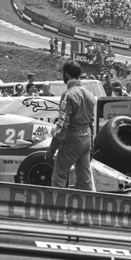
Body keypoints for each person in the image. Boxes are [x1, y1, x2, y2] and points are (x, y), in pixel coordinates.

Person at [46, 60, 96, 191]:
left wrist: (52, 149)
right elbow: (92, 123)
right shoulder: (90, 95)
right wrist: (91, 146)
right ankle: (89, 209)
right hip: (86, 140)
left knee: (59, 177)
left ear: (66, 74)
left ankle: (58, 209)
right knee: (85, 179)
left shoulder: (68, 95)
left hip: (72, 140)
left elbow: (62, 126)